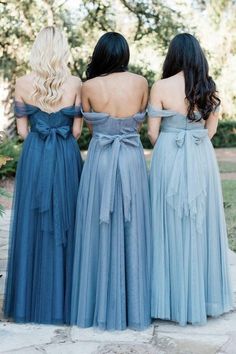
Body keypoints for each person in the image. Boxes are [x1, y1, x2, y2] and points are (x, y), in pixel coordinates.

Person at [148, 33, 233, 326]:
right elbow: (210, 131)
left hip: (168, 155)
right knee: (200, 224)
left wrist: (172, 144)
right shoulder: (208, 87)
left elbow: (152, 133)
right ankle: (203, 297)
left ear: (172, 55)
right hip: (200, 155)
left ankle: (168, 299)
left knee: (167, 223)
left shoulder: (160, 86)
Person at [71, 32, 151, 330]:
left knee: (98, 228)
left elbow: (91, 127)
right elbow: (139, 122)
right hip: (131, 159)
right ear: (125, 55)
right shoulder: (142, 82)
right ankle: (133, 307)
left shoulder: (87, 86)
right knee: (133, 227)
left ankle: (98, 303)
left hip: (101, 159)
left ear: (100, 54)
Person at [4, 26, 83, 324]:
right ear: (63, 49)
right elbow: (76, 131)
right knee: (66, 221)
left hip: (36, 154)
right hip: (64, 154)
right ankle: (64, 300)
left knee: (33, 223)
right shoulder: (76, 83)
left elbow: (23, 132)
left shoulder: (22, 82)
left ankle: (30, 301)